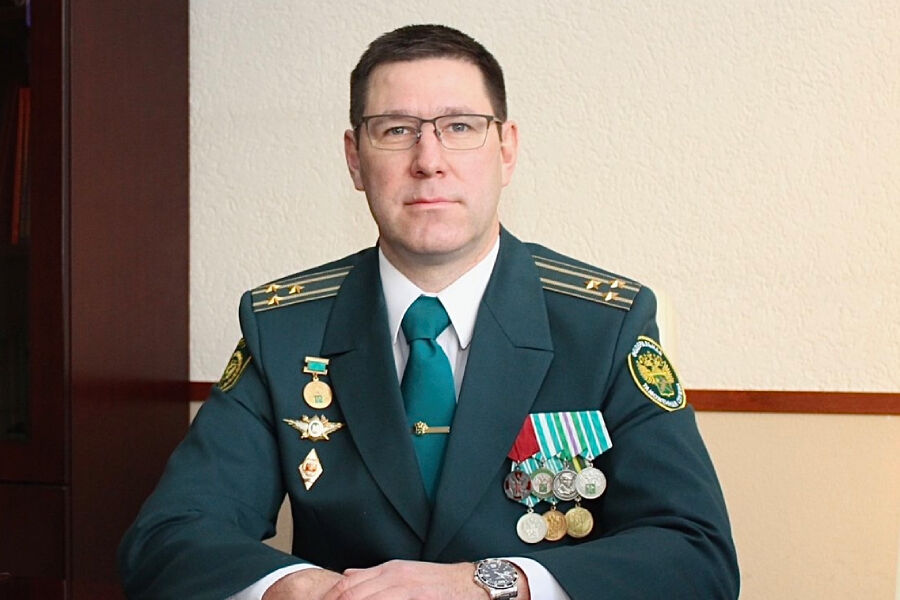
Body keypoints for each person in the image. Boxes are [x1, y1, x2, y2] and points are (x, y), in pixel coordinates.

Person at [118, 24, 739, 600]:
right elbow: (169, 536)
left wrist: (487, 585)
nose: (429, 159)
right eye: (396, 130)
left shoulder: (604, 325)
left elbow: (695, 554)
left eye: (460, 127)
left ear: (507, 149)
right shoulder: (283, 327)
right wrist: (303, 589)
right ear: (355, 158)